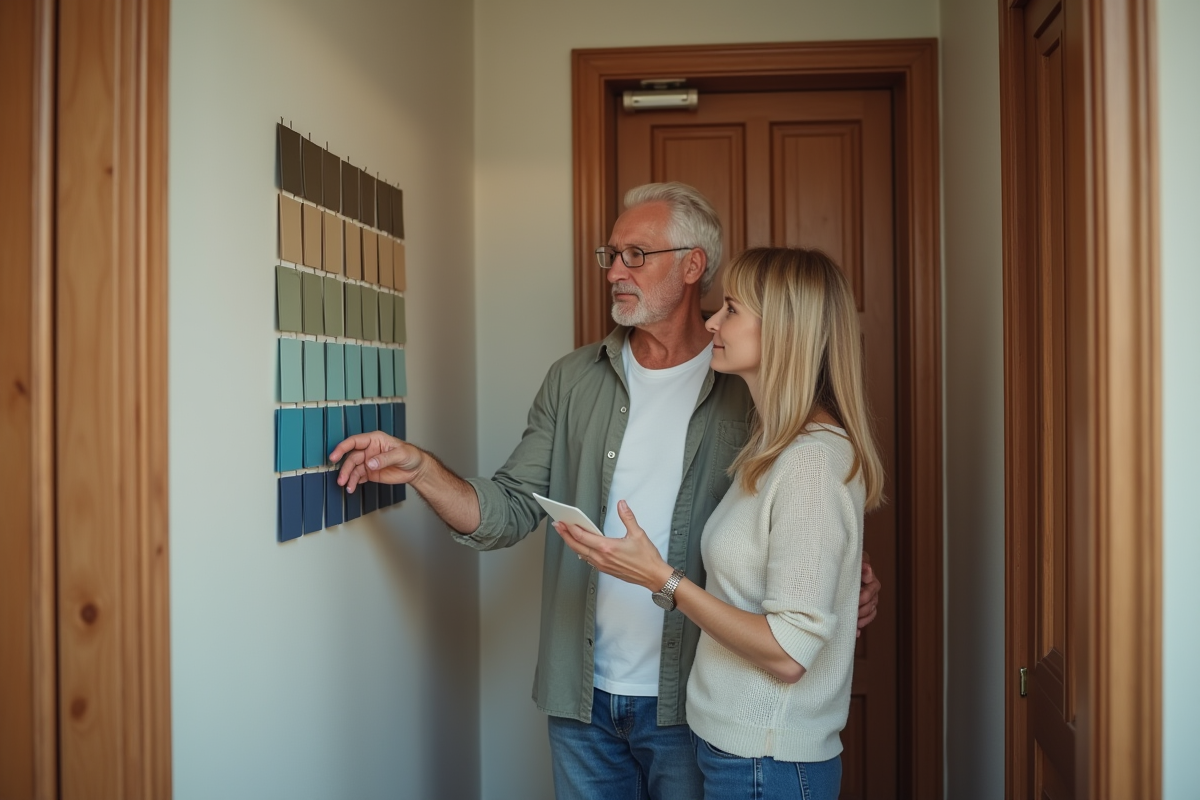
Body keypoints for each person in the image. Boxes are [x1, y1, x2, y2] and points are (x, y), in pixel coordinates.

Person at [328, 184, 882, 800]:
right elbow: (508, 509)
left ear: (693, 264)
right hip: (583, 700)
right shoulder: (572, 381)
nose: (615, 271)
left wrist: (845, 578)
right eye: (610, 255)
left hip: (694, 708)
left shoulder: (749, 385)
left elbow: (801, 521)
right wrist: (421, 468)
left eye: (636, 255)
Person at [553, 246, 883, 799]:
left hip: (766, 763)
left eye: (731, 309)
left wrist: (661, 579)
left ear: (784, 331)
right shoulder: (775, 448)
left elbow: (788, 654)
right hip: (739, 755)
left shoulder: (808, 462)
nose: (712, 321)